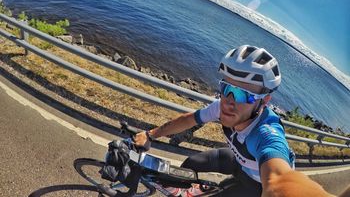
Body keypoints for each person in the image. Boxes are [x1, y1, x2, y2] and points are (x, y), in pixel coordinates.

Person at [134, 45, 334, 197]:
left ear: (264, 101)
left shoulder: (265, 134)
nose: (229, 102)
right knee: (190, 164)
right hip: (239, 160)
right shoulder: (222, 106)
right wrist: (150, 134)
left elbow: (278, 178)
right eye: (226, 89)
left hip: (256, 184)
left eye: (243, 95)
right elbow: (189, 119)